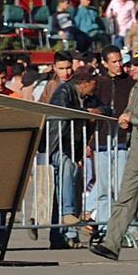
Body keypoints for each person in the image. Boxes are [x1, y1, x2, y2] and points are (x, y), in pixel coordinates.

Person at [90, 48, 138, 262]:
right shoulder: (137, 89)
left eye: (137, 65)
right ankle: (111, 243)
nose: (132, 68)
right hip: (136, 149)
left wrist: (132, 118)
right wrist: (126, 118)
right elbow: (129, 110)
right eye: (132, 64)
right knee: (125, 199)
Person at [47, 66, 100, 248]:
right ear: (84, 83)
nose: (96, 86)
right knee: (67, 169)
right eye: (94, 82)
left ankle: (58, 235)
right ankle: (68, 213)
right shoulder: (63, 91)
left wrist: (98, 112)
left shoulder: (89, 96)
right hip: (57, 144)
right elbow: (64, 109)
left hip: (74, 147)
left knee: (63, 188)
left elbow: (105, 107)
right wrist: (87, 113)